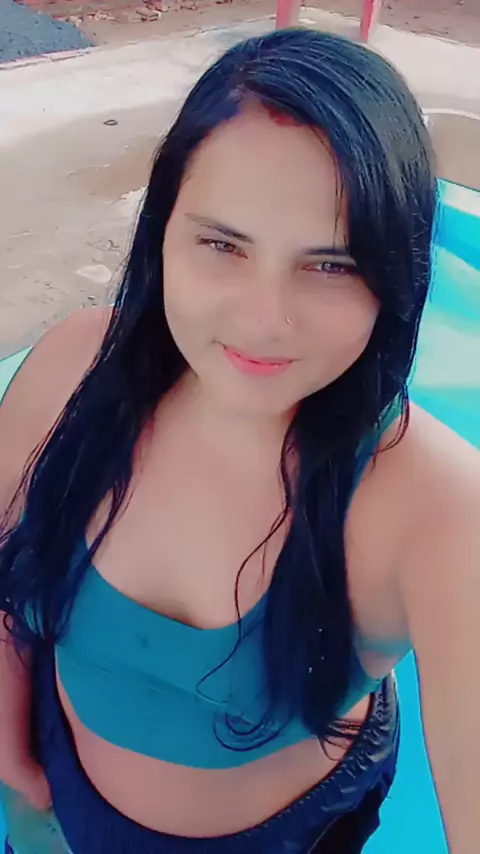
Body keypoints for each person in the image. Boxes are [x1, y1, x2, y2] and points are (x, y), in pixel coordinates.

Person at [0, 27, 479, 854]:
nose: (264, 319)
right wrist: (15, 759)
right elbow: (8, 581)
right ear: (163, 230)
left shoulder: (437, 509)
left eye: (330, 264)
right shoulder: (72, 371)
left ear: (394, 275)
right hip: (53, 786)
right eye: (223, 244)